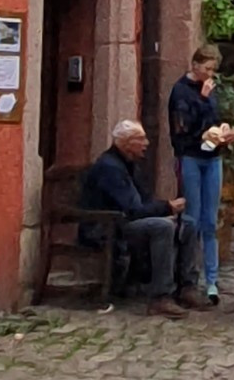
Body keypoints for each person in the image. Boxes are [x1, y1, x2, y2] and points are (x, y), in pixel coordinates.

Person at [78, 119, 186, 312]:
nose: (146, 143)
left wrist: (165, 209)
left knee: (188, 224)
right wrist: (166, 208)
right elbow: (133, 209)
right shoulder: (110, 167)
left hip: (124, 221)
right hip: (107, 227)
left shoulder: (130, 164)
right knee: (163, 227)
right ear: (126, 143)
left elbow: (144, 200)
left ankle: (187, 287)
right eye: (141, 139)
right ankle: (160, 296)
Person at [166, 47, 233, 305]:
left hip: (212, 157)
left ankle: (212, 279)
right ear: (194, 65)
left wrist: (222, 129)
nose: (210, 74)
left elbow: (213, 119)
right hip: (191, 156)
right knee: (192, 218)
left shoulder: (210, 88)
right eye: (206, 68)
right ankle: (188, 278)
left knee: (210, 219)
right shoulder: (181, 91)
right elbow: (184, 126)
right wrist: (204, 101)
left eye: (213, 69)